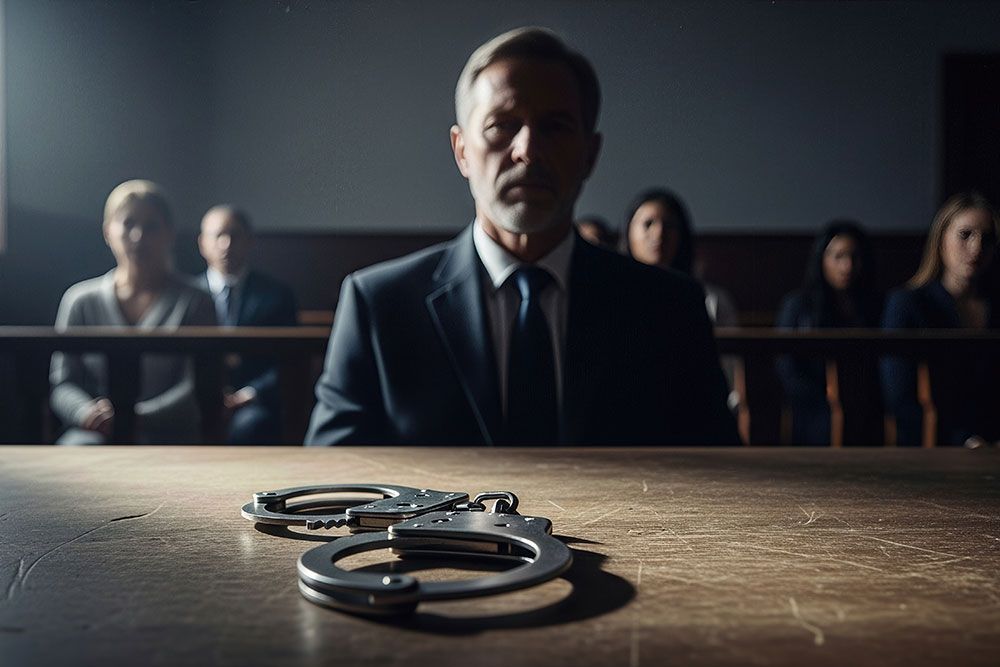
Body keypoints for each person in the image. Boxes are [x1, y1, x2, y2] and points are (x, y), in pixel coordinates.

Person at [305, 27, 738, 446]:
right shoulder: (378, 304)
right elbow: (334, 483)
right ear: (461, 151)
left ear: (590, 154)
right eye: (502, 125)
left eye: (555, 126)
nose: (528, 149)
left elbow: (718, 482)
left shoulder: (669, 308)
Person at [50, 180, 218, 444]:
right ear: (108, 232)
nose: (139, 236)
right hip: (94, 432)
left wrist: (136, 416)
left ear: (170, 234)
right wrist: (86, 413)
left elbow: (197, 385)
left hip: (171, 437)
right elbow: (62, 382)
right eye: (128, 223)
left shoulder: (196, 301)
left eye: (151, 226)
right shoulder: (79, 300)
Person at [881, 192, 1000, 447]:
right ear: (941, 239)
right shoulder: (908, 304)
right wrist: (963, 441)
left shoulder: (996, 305)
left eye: (987, 238)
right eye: (965, 234)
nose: (977, 248)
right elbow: (900, 397)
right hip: (931, 447)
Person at [622, 188, 741, 412]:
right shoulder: (612, 296)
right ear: (629, 231)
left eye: (669, 226)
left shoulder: (710, 299)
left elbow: (728, 373)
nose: (658, 234)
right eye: (648, 224)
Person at [197, 205, 299, 444]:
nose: (226, 244)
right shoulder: (186, 295)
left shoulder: (276, 294)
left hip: (252, 403)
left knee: (253, 426)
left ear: (250, 241)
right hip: (194, 401)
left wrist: (248, 395)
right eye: (218, 235)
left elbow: (289, 361)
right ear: (202, 243)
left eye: (234, 235)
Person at [776, 221, 883, 445]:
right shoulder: (798, 305)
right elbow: (787, 367)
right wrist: (826, 401)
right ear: (822, 259)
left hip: (868, 406)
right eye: (838, 257)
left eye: (855, 257)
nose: (847, 266)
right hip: (812, 407)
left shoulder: (877, 306)